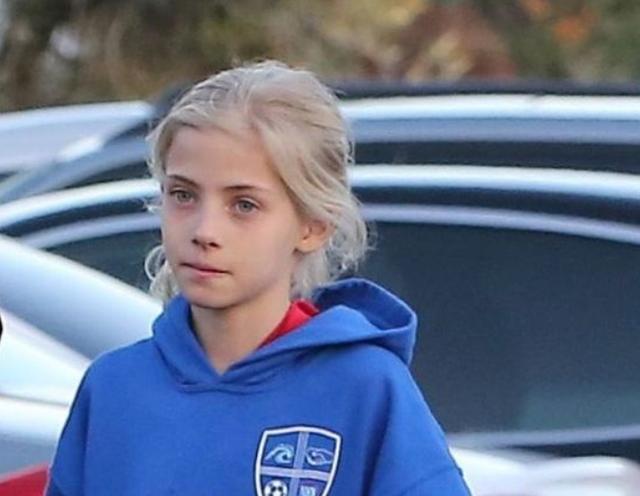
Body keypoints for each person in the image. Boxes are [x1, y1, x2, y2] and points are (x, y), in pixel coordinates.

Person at [46, 60, 471, 496]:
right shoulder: (114, 388)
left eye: (244, 205)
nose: (205, 231)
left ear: (313, 226)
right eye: (183, 195)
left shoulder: (367, 388)